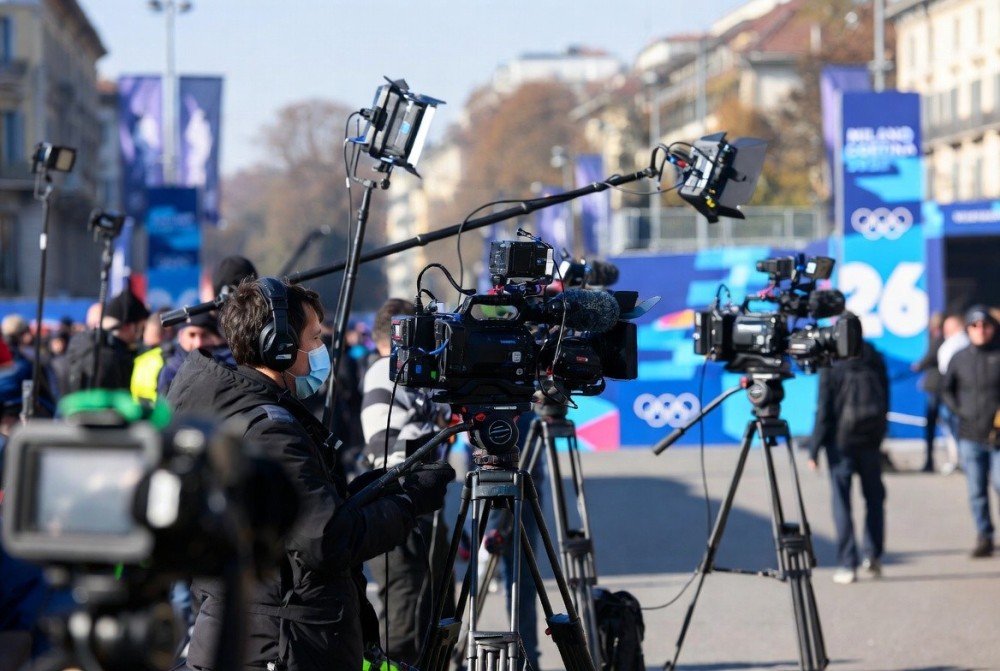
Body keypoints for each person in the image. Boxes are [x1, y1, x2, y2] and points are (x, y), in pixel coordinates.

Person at [167, 278, 454, 671]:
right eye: (314, 337)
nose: (321, 349)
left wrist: (365, 495)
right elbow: (325, 541)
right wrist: (408, 503)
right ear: (279, 344)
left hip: (264, 638)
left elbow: (294, 518)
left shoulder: (236, 410)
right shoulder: (270, 428)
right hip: (280, 648)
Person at [360, 299, 454, 666]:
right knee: (406, 618)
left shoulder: (408, 376)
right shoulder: (386, 370)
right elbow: (386, 447)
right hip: (397, 504)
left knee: (434, 609)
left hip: (413, 507)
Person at [809, 339, 889, 584]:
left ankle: (847, 563)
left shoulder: (831, 363)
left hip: (840, 444)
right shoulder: (874, 357)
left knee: (841, 502)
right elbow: (886, 397)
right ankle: (873, 555)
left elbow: (824, 410)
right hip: (870, 440)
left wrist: (814, 449)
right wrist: (880, 432)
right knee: (874, 498)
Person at [940, 305, 1000, 558]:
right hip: (969, 435)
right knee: (976, 490)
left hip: (997, 435)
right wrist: (959, 410)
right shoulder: (960, 357)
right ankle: (984, 535)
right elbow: (946, 389)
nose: (981, 330)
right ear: (968, 329)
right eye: (975, 326)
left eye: (985, 325)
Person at [64, 289, 150, 394]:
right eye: (141, 329)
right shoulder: (110, 357)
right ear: (130, 326)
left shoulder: (79, 343)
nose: (141, 336)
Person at [156, 311, 226, 398]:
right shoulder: (170, 371)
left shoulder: (225, 364)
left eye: (204, 335)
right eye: (192, 335)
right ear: (180, 336)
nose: (198, 343)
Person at [912, 312, 944, 472]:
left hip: (936, 389)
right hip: (936, 387)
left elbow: (930, 358)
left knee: (935, 425)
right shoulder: (942, 340)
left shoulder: (938, 340)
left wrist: (918, 365)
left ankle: (930, 461)